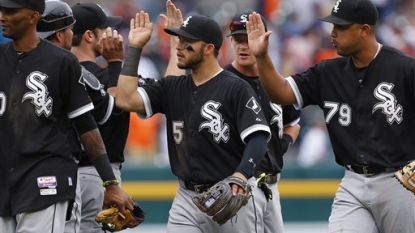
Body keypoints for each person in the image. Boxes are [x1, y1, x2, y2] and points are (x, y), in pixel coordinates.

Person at [246, 0, 415, 232]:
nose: (332, 33)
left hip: (399, 181)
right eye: (333, 26)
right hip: (353, 181)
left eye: (341, 27)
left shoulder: (404, 69)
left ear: (364, 30)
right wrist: (263, 58)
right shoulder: (327, 72)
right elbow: (281, 93)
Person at [114, 11, 271, 233]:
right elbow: (125, 99)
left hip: (232, 193)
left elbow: (259, 136)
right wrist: (135, 48)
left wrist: (241, 175)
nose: (179, 46)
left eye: (188, 42)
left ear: (208, 48)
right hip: (186, 197)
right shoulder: (172, 87)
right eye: (179, 40)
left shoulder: (236, 88)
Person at [0, 0, 133, 233]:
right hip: (6, 180)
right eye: (1, 10)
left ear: (33, 17)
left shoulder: (62, 61)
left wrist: (110, 183)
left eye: (10, 11)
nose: (2, 17)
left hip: (46, 180)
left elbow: (86, 125)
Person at [225, 10, 301, 233]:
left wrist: (284, 143)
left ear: (264, 39)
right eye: (238, 40)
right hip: (239, 184)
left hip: (272, 184)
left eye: (249, 39)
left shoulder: (276, 83)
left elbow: (294, 122)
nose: (243, 46)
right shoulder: (221, 81)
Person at [69, 3, 130, 233]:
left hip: (66, 172)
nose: (110, 34)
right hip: (98, 177)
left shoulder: (58, 70)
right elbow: (116, 108)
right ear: (88, 35)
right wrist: (115, 63)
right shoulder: (102, 76)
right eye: (104, 29)